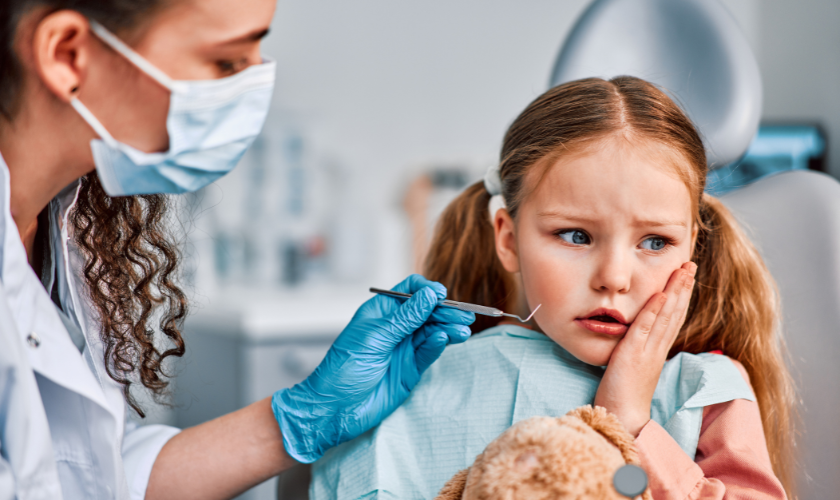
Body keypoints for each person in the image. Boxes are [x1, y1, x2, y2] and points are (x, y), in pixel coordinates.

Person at [0, 1, 475, 499]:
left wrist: (302, 418)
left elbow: (93, 476)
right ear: (67, 54)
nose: (252, 90)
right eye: (226, 62)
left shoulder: (62, 224)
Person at [311, 77, 797, 499]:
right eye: (576, 236)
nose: (614, 277)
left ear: (691, 246)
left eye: (655, 242)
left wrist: (629, 422)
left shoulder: (704, 391)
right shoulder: (425, 383)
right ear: (508, 240)